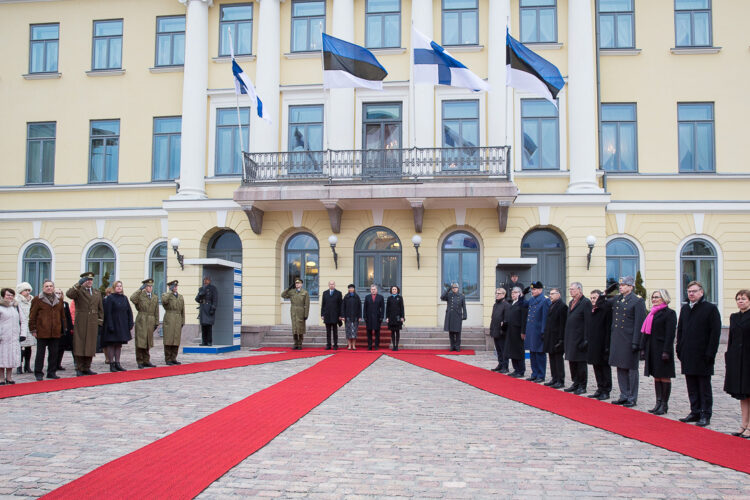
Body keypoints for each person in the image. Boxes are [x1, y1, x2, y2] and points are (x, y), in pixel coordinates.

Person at [676, 280, 721, 427]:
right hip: (688, 353)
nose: (691, 294)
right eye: (689, 291)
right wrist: (679, 347)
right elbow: (681, 330)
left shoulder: (710, 309)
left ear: (701, 292)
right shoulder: (685, 309)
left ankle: (705, 413)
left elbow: (715, 333)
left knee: (703, 386)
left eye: (694, 291)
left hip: (703, 354)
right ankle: (694, 410)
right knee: (691, 385)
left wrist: (710, 353)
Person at [609, 276, 647, 407]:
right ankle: (623, 394)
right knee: (620, 367)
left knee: (631, 369)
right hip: (618, 338)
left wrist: (637, 342)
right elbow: (602, 301)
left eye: (624, 285)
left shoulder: (637, 301)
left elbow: (639, 323)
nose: (621, 287)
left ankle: (632, 397)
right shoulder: (618, 299)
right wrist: (607, 290)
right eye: (620, 285)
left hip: (630, 339)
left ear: (631, 287)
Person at [642, 289, 677, 415]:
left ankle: (664, 404)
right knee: (656, 376)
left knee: (664, 376)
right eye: (653, 297)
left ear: (664, 298)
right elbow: (645, 333)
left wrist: (666, 351)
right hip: (653, 348)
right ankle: (658, 402)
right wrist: (643, 348)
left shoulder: (669, 313)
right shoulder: (651, 314)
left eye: (657, 297)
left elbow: (670, 334)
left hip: (663, 349)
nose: (654, 299)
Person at [66, 272, 104, 376]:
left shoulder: (96, 292)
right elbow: (69, 294)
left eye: (91, 280)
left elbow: (100, 308)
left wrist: (100, 321)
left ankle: (87, 367)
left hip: (92, 321)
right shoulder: (78, 291)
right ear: (83, 281)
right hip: (81, 321)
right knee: (80, 344)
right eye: (87, 280)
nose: (89, 282)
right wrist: (78, 284)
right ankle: (79, 367)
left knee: (90, 345)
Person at [724, 289, 750, 438]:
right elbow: (731, 338)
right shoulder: (734, 317)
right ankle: (743, 424)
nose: (740, 301)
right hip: (737, 358)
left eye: (744, 299)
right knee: (742, 394)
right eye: (738, 299)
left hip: (748, 358)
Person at [28, 279, 65, 380]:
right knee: (40, 353)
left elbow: (62, 316)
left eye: (51, 286)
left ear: (53, 287)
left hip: (55, 330)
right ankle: (38, 372)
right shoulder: (37, 300)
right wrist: (33, 329)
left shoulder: (59, 300)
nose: (49, 288)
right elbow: (32, 316)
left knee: (54, 353)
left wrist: (63, 328)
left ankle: (51, 372)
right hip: (42, 330)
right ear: (43, 288)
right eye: (46, 286)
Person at [585, 286, 616, 400]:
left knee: (604, 367)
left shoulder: (605, 309)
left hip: (603, 344)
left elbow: (608, 328)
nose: (593, 300)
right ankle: (600, 388)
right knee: (596, 366)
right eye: (591, 298)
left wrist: (603, 295)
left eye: (595, 298)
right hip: (594, 344)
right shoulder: (592, 310)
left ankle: (606, 390)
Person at [564, 282, 592, 395]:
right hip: (571, 337)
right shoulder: (571, 302)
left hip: (580, 338)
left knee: (580, 363)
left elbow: (588, 322)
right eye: (570, 289)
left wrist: (586, 339)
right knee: (572, 362)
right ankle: (575, 382)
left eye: (573, 289)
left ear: (579, 290)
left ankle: (582, 385)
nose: (570, 291)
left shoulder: (585, 302)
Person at [101, 281, 133, 372]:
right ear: (114, 288)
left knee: (119, 345)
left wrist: (130, 323)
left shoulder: (124, 298)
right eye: (117, 286)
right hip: (113, 324)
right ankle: (111, 364)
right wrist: (110, 325)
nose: (119, 288)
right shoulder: (110, 298)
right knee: (112, 344)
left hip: (122, 324)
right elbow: (108, 313)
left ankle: (118, 363)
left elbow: (129, 311)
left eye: (120, 286)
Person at [130, 278, 159, 369]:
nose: (150, 288)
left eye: (151, 286)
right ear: (145, 287)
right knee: (140, 341)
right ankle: (140, 360)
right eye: (148, 286)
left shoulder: (154, 297)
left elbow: (156, 311)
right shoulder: (140, 296)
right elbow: (132, 298)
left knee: (147, 341)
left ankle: (146, 360)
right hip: (142, 319)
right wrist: (139, 290)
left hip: (150, 319)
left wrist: (156, 322)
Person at [524, 281, 549, 382]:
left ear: (540, 290)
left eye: (534, 289)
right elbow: (522, 304)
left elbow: (545, 318)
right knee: (532, 353)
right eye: (532, 290)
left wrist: (543, 331)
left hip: (539, 331)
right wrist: (523, 294)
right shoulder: (532, 299)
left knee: (539, 354)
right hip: (531, 330)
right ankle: (534, 373)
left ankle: (541, 375)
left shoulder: (545, 300)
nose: (532, 291)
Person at [543, 287, 566, 388]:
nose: (550, 296)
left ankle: (560, 380)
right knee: (552, 358)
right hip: (550, 337)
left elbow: (562, 324)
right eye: (550, 294)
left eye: (553, 294)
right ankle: (554, 378)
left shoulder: (562, 306)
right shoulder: (552, 305)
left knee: (558, 360)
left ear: (559, 294)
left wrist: (561, 339)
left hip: (557, 338)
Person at [0, 288, 23, 384]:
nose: (10, 297)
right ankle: (1, 378)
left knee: (11, 357)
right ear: (3, 296)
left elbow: (23, 320)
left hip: (14, 336)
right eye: (8, 295)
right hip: (3, 336)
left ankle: (9, 377)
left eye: (11, 295)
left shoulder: (16, 306)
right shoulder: (1, 307)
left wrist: (23, 334)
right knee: (2, 357)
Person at [504, 287, 527, 377]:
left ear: (520, 293)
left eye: (515, 292)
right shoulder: (512, 303)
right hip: (511, 330)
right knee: (512, 351)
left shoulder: (522, 303)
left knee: (518, 351)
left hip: (518, 331)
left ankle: (521, 370)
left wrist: (523, 331)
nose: (513, 294)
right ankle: (516, 369)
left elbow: (523, 318)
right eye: (512, 292)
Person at [281, 278, 309, 350]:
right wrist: (288, 288)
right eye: (296, 283)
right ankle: (295, 343)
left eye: (299, 283)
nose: (297, 284)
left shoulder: (305, 292)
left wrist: (306, 314)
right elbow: (283, 295)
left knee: (300, 328)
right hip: (293, 311)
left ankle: (300, 343)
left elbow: (307, 304)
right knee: (294, 328)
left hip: (301, 311)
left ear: (301, 284)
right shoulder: (292, 292)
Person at [161, 280, 185, 364]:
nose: (175, 288)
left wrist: (183, 320)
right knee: (169, 339)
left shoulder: (180, 296)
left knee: (176, 339)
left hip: (178, 318)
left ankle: (174, 358)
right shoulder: (166, 295)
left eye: (176, 286)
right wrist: (169, 292)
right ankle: (168, 358)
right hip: (169, 317)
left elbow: (182, 310)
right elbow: (164, 301)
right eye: (173, 286)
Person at [489, 288, 511, 372]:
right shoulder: (495, 304)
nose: (497, 295)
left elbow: (507, 319)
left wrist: (503, 329)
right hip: (495, 330)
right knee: (498, 349)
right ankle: (500, 364)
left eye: (499, 293)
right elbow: (493, 318)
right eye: (496, 293)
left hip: (502, 331)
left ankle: (505, 366)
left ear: (503, 294)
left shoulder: (506, 305)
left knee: (503, 349)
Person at [441, 282, 467, 352]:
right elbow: (442, 297)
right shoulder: (449, 295)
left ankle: (457, 346)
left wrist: (465, 315)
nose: (454, 289)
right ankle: (452, 346)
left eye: (455, 287)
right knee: (451, 332)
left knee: (458, 332)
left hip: (458, 316)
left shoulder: (462, 296)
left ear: (458, 288)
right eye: (453, 288)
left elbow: (464, 306)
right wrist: (448, 289)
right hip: (450, 316)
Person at [54, 288, 74, 372]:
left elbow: (68, 317)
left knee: (62, 347)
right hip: (55, 328)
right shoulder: (52, 303)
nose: (58, 294)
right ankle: (53, 364)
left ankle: (58, 364)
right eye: (56, 293)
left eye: (59, 293)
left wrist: (70, 328)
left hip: (64, 328)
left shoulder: (65, 304)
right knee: (55, 348)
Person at [16, 282, 34, 375]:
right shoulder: (17, 301)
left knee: (29, 347)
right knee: (20, 347)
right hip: (21, 326)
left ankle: (27, 365)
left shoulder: (32, 300)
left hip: (30, 325)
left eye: (28, 290)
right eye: (25, 290)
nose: (27, 292)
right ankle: (19, 366)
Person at [195, 276, 218, 346]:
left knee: (208, 326)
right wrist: (200, 294)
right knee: (203, 326)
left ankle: (209, 342)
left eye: (207, 280)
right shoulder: (201, 289)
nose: (205, 281)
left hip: (209, 308)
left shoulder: (213, 288)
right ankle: (204, 341)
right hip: (202, 308)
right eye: (204, 280)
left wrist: (213, 308)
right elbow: (196, 299)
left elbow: (215, 299)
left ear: (209, 281)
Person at [320, 280, 343, 350]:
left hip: (335, 315)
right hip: (327, 315)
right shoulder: (325, 293)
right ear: (328, 285)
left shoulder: (338, 293)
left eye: (333, 284)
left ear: (334, 285)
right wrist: (322, 314)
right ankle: (328, 345)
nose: (331, 285)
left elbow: (340, 305)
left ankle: (335, 345)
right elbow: (323, 304)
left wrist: (340, 315)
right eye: (330, 284)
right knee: (328, 332)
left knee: (335, 332)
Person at [363, 284, 385, 350]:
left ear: (377, 290)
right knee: (369, 333)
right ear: (370, 290)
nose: (373, 290)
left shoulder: (380, 297)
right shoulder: (367, 297)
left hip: (377, 317)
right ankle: (369, 346)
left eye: (374, 289)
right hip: (369, 317)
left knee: (377, 333)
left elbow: (383, 308)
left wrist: (382, 317)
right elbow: (365, 308)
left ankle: (376, 346)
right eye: (372, 289)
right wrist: (364, 316)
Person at [341, 284, 361, 350]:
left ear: (354, 289)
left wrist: (359, 316)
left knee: (354, 332)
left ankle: (354, 345)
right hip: (348, 317)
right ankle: (349, 345)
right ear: (348, 289)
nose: (351, 289)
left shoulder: (357, 297)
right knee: (348, 331)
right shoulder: (346, 297)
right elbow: (343, 307)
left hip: (355, 317)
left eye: (352, 288)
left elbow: (359, 307)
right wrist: (343, 316)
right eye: (350, 288)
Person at [386, 286, 405, 351]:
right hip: (391, 317)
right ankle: (393, 345)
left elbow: (402, 308)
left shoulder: (400, 298)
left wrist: (402, 317)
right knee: (392, 332)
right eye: (393, 289)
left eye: (395, 289)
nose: (394, 290)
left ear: (397, 290)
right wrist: (387, 317)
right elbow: (387, 309)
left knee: (397, 332)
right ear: (391, 290)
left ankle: (397, 345)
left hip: (398, 317)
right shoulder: (389, 298)